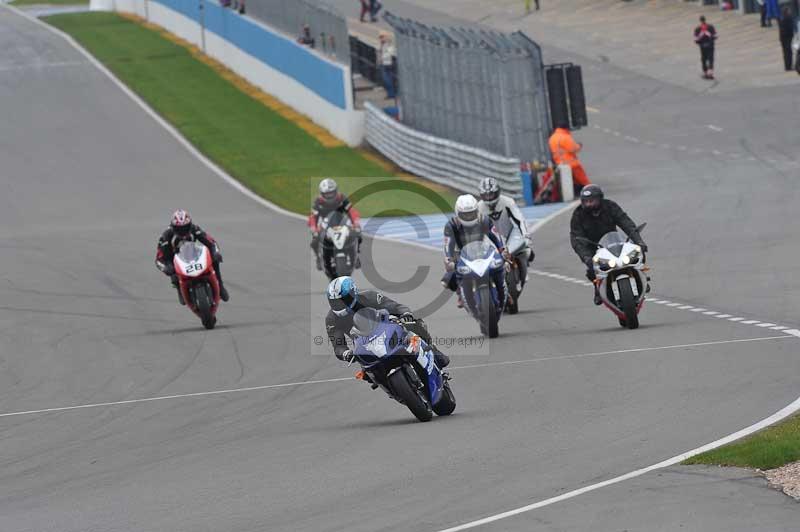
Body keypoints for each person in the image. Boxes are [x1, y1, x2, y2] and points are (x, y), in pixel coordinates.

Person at [325, 276, 450, 368]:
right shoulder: (331, 319)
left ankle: (433, 351)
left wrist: (405, 314)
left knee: (413, 323)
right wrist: (346, 353)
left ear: (353, 293)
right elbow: (338, 346)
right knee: (367, 373)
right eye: (335, 302)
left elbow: (395, 307)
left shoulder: (370, 296)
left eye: (344, 299)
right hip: (364, 345)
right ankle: (392, 387)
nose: (339, 304)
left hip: (388, 329)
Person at [570, 185, 647, 306]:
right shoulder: (578, 215)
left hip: (613, 242)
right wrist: (586, 257)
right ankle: (597, 288)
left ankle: (642, 277)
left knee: (637, 252)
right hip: (592, 248)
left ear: (600, 199)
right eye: (586, 202)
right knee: (591, 270)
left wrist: (639, 241)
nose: (589, 204)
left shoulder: (610, 206)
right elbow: (576, 239)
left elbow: (625, 221)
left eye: (592, 201)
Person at [442, 194, 511, 308]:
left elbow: (496, 236)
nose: (469, 217)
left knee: (503, 264)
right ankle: (460, 292)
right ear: (458, 212)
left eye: (471, 213)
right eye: (465, 214)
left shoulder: (484, 220)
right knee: (448, 278)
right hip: (461, 253)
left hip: (483, 248)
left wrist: (502, 249)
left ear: (477, 211)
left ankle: (504, 289)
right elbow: (448, 245)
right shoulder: (451, 225)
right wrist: (449, 259)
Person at [155, 209, 229, 304]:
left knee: (214, 257)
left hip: (192, 253)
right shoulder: (166, 236)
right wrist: (165, 268)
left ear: (189, 225)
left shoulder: (194, 229)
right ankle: (179, 287)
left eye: (185, 227)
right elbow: (158, 259)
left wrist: (215, 253)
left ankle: (220, 285)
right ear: (173, 227)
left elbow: (211, 242)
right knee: (170, 267)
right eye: (179, 228)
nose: (182, 231)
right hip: (174, 258)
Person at [476, 177, 535, 267]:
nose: (488, 198)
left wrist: (526, 235)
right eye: (486, 195)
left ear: (497, 192)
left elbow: (519, 219)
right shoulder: (479, 207)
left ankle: (521, 264)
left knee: (529, 254)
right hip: (492, 239)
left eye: (491, 195)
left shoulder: (508, 202)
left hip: (510, 234)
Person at [308, 178, 362, 271]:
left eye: (331, 193)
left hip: (342, 223)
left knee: (357, 234)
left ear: (335, 191)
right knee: (314, 241)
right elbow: (313, 217)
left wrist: (356, 223)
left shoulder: (342, 198)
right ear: (322, 194)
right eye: (327, 194)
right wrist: (314, 229)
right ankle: (318, 258)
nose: (329, 196)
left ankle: (356, 254)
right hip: (326, 225)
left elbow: (352, 211)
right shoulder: (318, 202)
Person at [548, 121, 590, 198]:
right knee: (583, 180)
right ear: (566, 128)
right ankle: (590, 191)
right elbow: (573, 149)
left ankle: (576, 192)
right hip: (571, 163)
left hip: (559, 163)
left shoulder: (552, 138)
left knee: (570, 181)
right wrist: (579, 146)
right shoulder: (565, 137)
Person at [694, 16, 717, 80]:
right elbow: (715, 36)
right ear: (705, 20)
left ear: (700, 21)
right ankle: (710, 72)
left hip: (702, 47)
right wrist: (711, 39)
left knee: (704, 59)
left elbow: (696, 40)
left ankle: (705, 73)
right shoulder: (711, 27)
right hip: (710, 46)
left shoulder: (697, 29)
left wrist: (700, 42)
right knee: (711, 58)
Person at [378, 32, 397, 99]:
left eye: (382, 37)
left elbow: (390, 53)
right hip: (384, 64)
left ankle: (391, 94)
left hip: (388, 64)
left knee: (388, 80)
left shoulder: (389, 44)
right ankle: (390, 93)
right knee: (386, 80)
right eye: (380, 37)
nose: (380, 39)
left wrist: (382, 58)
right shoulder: (382, 44)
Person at [779, 7, 796, 71]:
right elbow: (790, 28)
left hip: (783, 38)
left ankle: (787, 66)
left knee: (785, 52)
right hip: (787, 37)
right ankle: (789, 66)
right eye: (789, 10)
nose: (790, 12)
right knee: (789, 52)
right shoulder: (788, 18)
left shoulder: (781, 18)